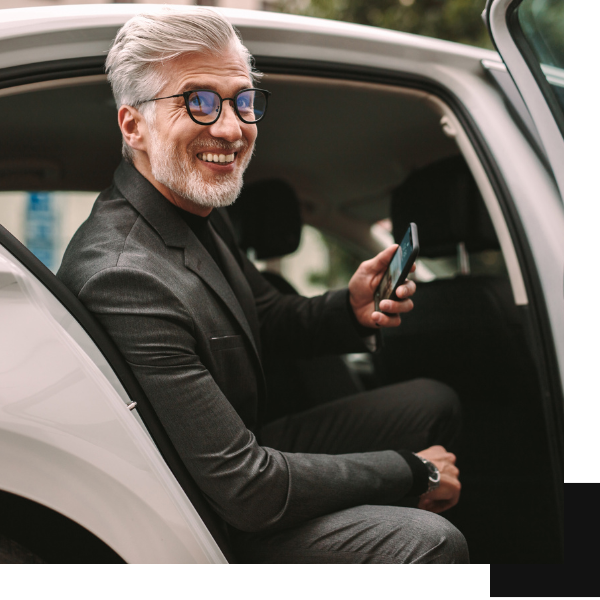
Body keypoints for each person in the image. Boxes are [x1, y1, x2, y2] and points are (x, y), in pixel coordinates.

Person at [57, 7, 468, 564]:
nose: (230, 127)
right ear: (134, 126)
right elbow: (247, 490)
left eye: (242, 100)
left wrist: (347, 311)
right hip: (206, 518)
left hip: (237, 463)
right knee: (431, 543)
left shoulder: (195, 206)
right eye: (197, 101)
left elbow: (262, 316)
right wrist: (411, 470)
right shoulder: (123, 276)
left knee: (432, 399)